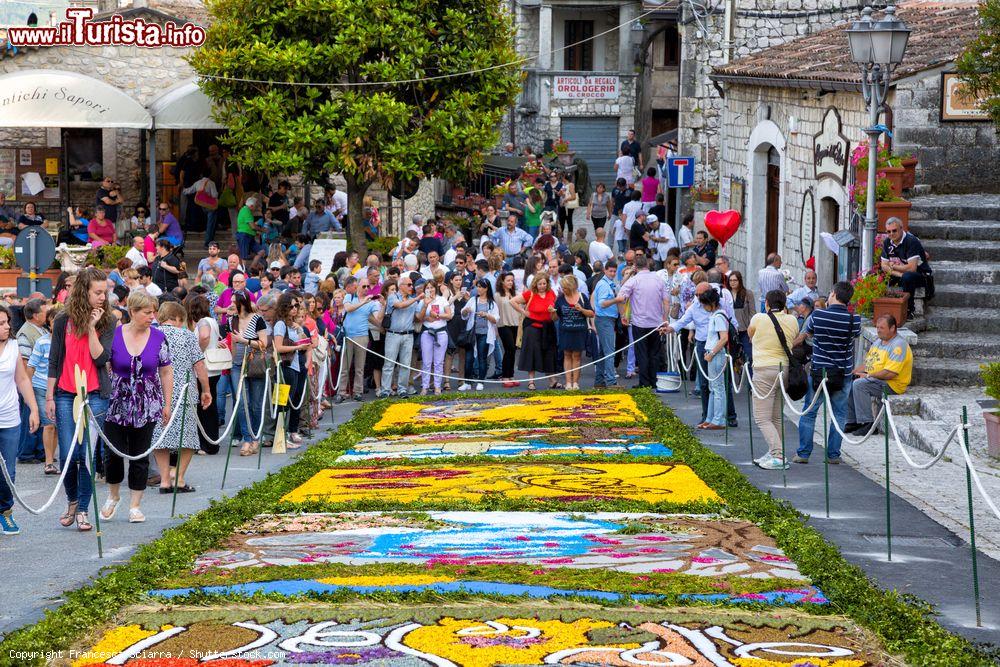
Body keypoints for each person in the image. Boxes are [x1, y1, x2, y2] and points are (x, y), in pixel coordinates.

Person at [46, 268, 116, 532]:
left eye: (104, 292)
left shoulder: (108, 321)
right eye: (97, 292)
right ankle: (73, 500)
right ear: (84, 291)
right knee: (67, 454)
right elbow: (55, 360)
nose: (102, 297)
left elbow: (100, 358)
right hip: (65, 392)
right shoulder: (63, 320)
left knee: (87, 455)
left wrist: (90, 326)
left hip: (96, 393)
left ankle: (84, 509)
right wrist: (50, 396)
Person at [99, 291, 173, 524]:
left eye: (154, 312)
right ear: (132, 311)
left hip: (147, 404)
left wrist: (167, 404)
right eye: (147, 312)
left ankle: (135, 505)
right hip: (116, 403)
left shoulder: (159, 337)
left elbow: (166, 371)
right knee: (113, 454)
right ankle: (113, 496)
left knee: (140, 456)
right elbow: (103, 364)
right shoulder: (116, 334)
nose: (152, 316)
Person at [792, 280, 862, 464]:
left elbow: (803, 336)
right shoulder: (855, 320)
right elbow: (854, 336)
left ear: (833, 294)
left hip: (819, 372)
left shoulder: (818, 316)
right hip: (842, 373)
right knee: (839, 414)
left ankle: (803, 453)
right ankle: (833, 455)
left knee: (809, 412)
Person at [150, 301, 210, 495]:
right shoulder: (187, 335)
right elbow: (199, 366)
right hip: (184, 392)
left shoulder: (152, 334)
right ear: (178, 318)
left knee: (160, 437)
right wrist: (206, 390)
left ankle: (165, 480)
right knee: (188, 437)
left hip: (157, 393)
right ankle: (180, 478)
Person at [747, 289, 800, 470]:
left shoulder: (758, 318)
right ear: (784, 304)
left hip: (763, 368)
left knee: (762, 417)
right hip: (784, 368)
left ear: (767, 303)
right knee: (776, 415)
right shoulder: (792, 320)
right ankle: (774, 451)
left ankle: (777, 454)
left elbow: (750, 335)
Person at [0, 303, 40, 536]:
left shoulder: (14, 346)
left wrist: (33, 409)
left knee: (8, 471)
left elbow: (22, 380)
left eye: (7, 323)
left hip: (9, 418)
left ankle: (6, 512)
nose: (7, 327)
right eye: (1, 324)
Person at [846, 313, 913, 435]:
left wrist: (867, 376)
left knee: (860, 385)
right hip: (876, 379)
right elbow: (869, 364)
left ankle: (868, 424)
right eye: (877, 327)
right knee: (851, 379)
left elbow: (890, 373)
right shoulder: (878, 342)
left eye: (881, 328)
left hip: (892, 385)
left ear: (892, 328)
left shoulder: (899, 345)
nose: (878, 331)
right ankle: (853, 421)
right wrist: (855, 372)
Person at [614, 254, 669, 388]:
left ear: (635, 266)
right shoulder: (658, 279)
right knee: (654, 353)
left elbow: (621, 296)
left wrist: (623, 316)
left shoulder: (634, 280)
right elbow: (666, 301)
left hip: (640, 322)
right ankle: (653, 381)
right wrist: (665, 318)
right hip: (656, 322)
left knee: (642, 353)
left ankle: (644, 382)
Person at [229, 291, 269, 456]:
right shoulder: (232, 319)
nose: (231, 305)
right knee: (241, 403)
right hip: (237, 364)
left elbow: (264, 343)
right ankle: (247, 439)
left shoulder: (257, 319)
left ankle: (255, 438)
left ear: (242, 303)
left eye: (234, 302)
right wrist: (229, 361)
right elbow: (231, 342)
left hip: (254, 364)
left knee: (255, 404)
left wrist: (245, 341)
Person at [271, 291, 310, 446]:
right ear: (284, 307)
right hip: (284, 368)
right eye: (292, 306)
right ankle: (279, 438)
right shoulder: (280, 324)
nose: (295, 309)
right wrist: (298, 346)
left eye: (297, 305)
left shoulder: (292, 325)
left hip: (293, 367)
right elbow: (278, 347)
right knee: (281, 404)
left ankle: (283, 436)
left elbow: (303, 340)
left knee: (287, 403)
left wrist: (299, 330)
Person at [335, 277, 383, 403]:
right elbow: (349, 309)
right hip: (348, 336)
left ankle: (357, 392)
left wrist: (383, 305)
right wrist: (363, 302)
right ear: (357, 287)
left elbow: (377, 319)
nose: (366, 289)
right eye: (364, 286)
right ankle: (341, 392)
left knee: (359, 367)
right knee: (345, 366)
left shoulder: (371, 303)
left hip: (362, 336)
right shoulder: (349, 297)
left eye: (368, 287)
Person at [27, 305, 59, 475]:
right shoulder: (42, 341)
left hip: (61, 388)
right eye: (54, 320)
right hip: (41, 386)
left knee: (57, 426)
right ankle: (48, 462)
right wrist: (26, 390)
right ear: (50, 322)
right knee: (49, 425)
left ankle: (52, 458)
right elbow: (31, 366)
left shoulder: (68, 341)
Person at [512, 271, 557, 390]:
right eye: (540, 284)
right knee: (531, 353)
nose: (542, 286)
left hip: (547, 327)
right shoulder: (530, 294)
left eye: (544, 283)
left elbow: (554, 312)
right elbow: (513, 301)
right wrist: (524, 312)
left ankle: (552, 380)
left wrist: (553, 311)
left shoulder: (551, 293)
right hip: (532, 327)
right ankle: (531, 381)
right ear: (535, 284)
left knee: (549, 353)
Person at [189, 295, 222, 455]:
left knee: (205, 407)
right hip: (214, 368)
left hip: (205, 368)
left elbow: (204, 336)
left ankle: (207, 444)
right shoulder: (213, 321)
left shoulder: (203, 322)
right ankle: (211, 442)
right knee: (210, 405)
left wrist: (197, 353)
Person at [378, 274, 420, 398]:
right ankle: (385, 390)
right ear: (401, 286)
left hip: (408, 335)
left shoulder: (413, 299)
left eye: (412, 284)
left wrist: (426, 305)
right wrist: (417, 298)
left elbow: (417, 317)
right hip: (393, 334)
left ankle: (402, 389)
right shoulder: (392, 297)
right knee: (389, 363)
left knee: (405, 364)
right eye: (409, 285)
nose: (411, 287)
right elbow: (400, 305)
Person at [880, 217, 931, 317]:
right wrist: (899, 274)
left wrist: (893, 266)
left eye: (894, 230)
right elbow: (884, 266)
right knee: (873, 275)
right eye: (888, 231)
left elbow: (912, 268)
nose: (891, 234)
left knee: (908, 276)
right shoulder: (887, 242)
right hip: (900, 273)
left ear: (901, 228)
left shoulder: (911, 241)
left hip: (920, 275)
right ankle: (878, 307)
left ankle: (909, 310)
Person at [554, 275, 594, 390]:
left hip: (579, 331)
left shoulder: (582, 297)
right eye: (562, 288)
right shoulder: (560, 298)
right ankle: (568, 382)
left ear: (571, 287)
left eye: (565, 288)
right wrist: (552, 311)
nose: (563, 290)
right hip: (565, 331)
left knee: (576, 356)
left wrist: (581, 309)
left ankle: (575, 382)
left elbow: (591, 313)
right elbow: (555, 318)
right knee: (566, 355)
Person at [458, 279, 499, 391]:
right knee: (469, 358)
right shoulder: (472, 300)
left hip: (485, 334)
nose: (478, 289)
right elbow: (463, 314)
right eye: (478, 286)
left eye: (481, 287)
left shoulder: (492, 303)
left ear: (486, 288)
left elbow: (496, 319)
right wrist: (466, 311)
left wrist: (486, 315)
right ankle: (467, 381)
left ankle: (481, 381)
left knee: (482, 358)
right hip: (472, 333)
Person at [698, 289, 730, 430]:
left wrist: (712, 353)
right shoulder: (716, 315)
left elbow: (724, 338)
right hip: (713, 353)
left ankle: (718, 419)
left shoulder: (718, 316)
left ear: (711, 303)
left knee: (717, 388)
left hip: (716, 354)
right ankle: (711, 418)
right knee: (714, 388)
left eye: (705, 304)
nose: (704, 307)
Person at [417, 281, 453, 395]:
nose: (430, 290)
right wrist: (426, 306)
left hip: (441, 332)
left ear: (435, 288)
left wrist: (437, 315)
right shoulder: (423, 300)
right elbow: (418, 317)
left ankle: (437, 386)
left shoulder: (442, 300)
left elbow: (449, 315)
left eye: (431, 287)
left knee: (439, 362)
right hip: (427, 332)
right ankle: (425, 386)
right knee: (426, 361)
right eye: (427, 288)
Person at [592, 260, 619, 388]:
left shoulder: (608, 283)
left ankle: (599, 381)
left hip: (606, 319)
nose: (613, 273)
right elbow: (602, 303)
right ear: (605, 270)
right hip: (604, 319)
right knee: (609, 351)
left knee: (603, 352)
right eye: (611, 271)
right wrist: (616, 300)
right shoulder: (604, 285)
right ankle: (611, 381)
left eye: (614, 271)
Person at [494, 272, 521, 388]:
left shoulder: (515, 294)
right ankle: (505, 376)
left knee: (513, 350)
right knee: (509, 348)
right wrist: (495, 329)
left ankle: (511, 375)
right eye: (508, 280)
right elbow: (495, 311)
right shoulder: (497, 295)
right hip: (503, 324)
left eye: (512, 280)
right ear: (502, 282)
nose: (510, 282)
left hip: (515, 324)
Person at [729, 271, 755, 369]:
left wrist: (751, 331)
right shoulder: (727, 293)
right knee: (731, 357)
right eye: (730, 280)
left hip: (745, 330)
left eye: (735, 280)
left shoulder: (748, 293)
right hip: (731, 331)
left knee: (749, 355)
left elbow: (752, 312)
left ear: (740, 281)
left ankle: (748, 381)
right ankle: (731, 382)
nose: (733, 282)